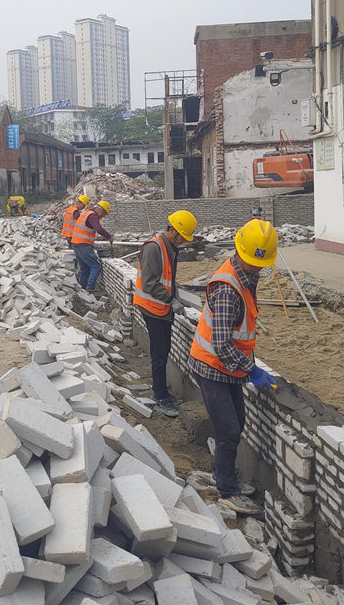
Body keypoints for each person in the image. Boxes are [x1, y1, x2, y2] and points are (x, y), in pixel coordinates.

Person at [189, 218, 278, 514]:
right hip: (212, 366)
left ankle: (223, 475)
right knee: (228, 429)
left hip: (229, 367)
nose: (258, 268)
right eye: (254, 262)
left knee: (236, 424)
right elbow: (222, 344)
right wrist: (252, 370)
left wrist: (246, 367)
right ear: (240, 251)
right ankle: (227, 491)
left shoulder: (245, 275)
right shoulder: (228, 289)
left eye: (261, 264)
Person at [133, 210, 198, 418]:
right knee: (160, 354)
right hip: (153, 308)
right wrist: (171, 300)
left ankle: (162, 392)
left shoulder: (169, 247)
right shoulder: (154, 248)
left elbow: (166, 278)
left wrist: (176, 294)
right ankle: (160, 397)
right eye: (182, 238)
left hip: (161, 307)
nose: (183, 242)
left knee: (164, 350)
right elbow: (150, 283)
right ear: (173, 231)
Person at [69, 200, 113, 291]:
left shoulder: (87, 213)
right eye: (104, 214)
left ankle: (82, 289)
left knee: (84, 268)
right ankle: (90, 287)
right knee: (95, 266)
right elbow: (98, 229)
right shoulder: (93, 216)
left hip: (76, 244)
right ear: (101, 210)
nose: (103, 217)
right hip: (83, 245)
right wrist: (108, 236)